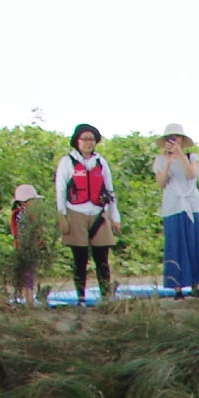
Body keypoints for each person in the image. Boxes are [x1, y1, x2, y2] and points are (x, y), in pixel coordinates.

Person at [56, 123, 121, 304]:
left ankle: (106, 296)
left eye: (91, 139)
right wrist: (62, 216)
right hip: (76, 212)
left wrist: (115, 217)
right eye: (84, 139)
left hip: (99, 214)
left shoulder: (101, 162)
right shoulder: (67, 162)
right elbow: (60, 190)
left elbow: (110, 191)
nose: (88, 143)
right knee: (80, 258)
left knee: (102, 258)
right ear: (77, 141)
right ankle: (81, 297)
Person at [152, 124, 199, 297]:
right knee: (175, 244)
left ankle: (195, 284)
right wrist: (168, 162)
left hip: (192, 205)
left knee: (194, 243)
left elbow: (191, 174)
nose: (173, 141)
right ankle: (176, 287)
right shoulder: (160, 160)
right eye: (170, 138)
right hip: (172, 206)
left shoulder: (191, 156)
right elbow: (160, 183)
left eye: (177, 137)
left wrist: (179, 156)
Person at [9, 184, 49, 304]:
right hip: (27, 249)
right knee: (28, 275)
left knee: (28, 275)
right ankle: (29, 300)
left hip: (26, 249)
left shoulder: (21, 214)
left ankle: (27, 299)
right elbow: (26, 235)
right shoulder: (23, 216)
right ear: (24, 202)